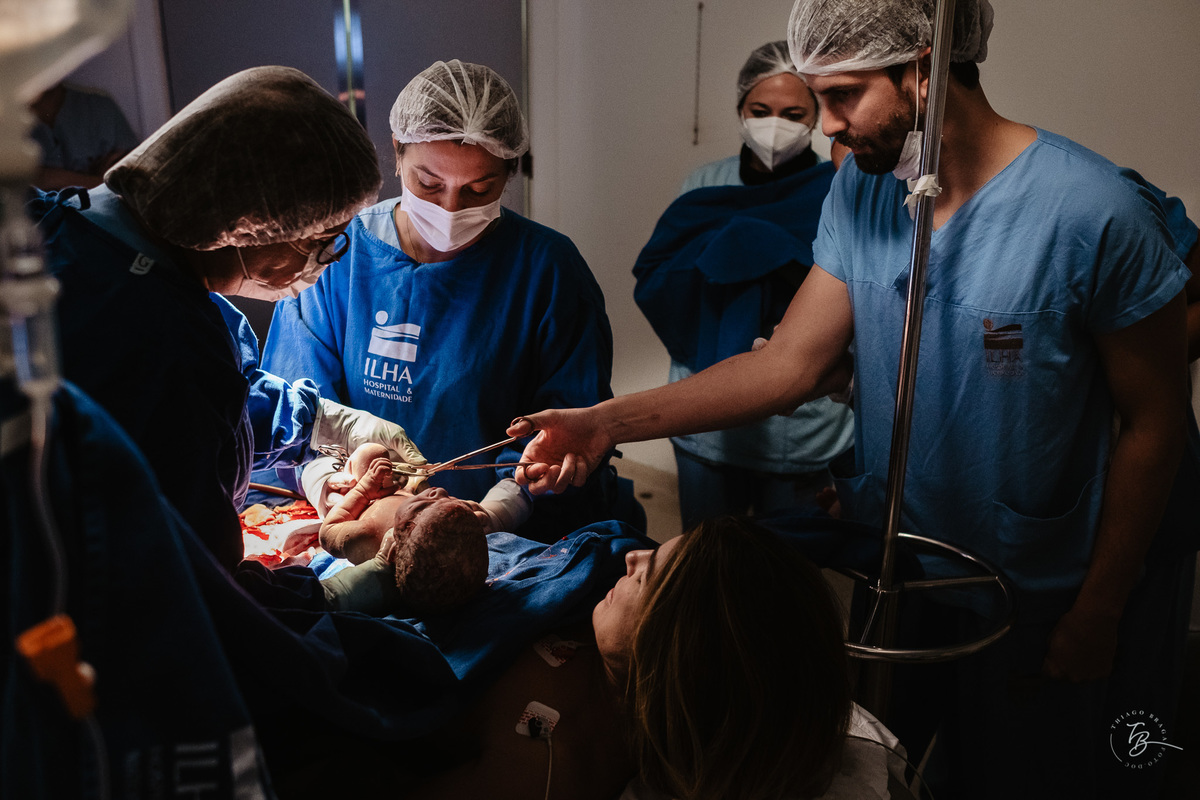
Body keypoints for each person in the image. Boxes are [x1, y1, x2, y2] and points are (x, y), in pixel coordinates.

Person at [507, 1, 1199, 797]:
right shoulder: (865, 194)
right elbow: (789, 366)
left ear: (924, 69)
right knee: (878, 755)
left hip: (1031, 578)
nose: (827, 125)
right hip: (899, 557)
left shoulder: (1092, 213)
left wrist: (1101, 607)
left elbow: (1153, 423)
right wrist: (603, 423)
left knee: (1017, 770)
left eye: (842, 96)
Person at [30, 66, 428, 571]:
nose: (327, 260)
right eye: (321, 240)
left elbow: (205, 415)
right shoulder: (166, 341)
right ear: (248, 224)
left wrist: (320, 421)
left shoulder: (77, 231)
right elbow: (196, 589)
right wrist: (336, 594)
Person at [262, 59, 622, 544]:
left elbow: (571, 421)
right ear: (397, 152)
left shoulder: (549, 270)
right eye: (429, 184)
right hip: (359, 518)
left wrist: (498, 511)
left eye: (479, 189)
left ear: (509, 173)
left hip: (507, 541)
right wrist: (332, 487)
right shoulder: (339, 253)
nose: (450, 209)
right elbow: (291, 405)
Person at [400, 516, 857, 800]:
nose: (632, 556)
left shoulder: (547, 768)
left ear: (673, 653)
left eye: (646, 576)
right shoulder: (603, 636)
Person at [634, 40, 854, 530]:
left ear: (816, 116)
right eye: (760, 110)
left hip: (801, 429)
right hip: (706, 421)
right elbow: (667, 285)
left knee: (788, 563)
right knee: (706, 560)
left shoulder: (840, 188)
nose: (775, 125)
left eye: (793, 114)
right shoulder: (705, 184)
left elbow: (852, 295)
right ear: (740, 109)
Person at [315, 443, 488, 615]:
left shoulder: (368, 534)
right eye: (447, 498)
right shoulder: (432, 535)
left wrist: (362, 491)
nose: (440, 491)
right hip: (403, 489)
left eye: (421, 507)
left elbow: (328, 532)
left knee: (371, 453)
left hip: (361, 499)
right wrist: (464, 512)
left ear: (391, 550)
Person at [28, 81, 139, 191]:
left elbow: (131, 182)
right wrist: (96, 180)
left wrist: (54, 178)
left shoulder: (100, 107)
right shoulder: (19, 124)